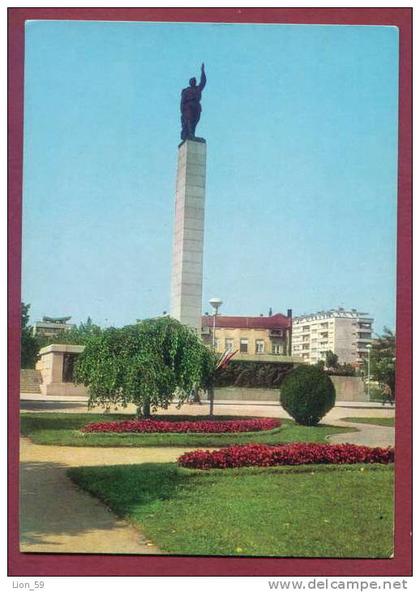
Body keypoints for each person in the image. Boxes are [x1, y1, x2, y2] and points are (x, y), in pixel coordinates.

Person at [180, 63, 206, 141]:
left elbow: (203, 82)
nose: (193, 82)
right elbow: (182, 102)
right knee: (189, 121)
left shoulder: (197, 89)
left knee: (195, 121)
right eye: (192, 81)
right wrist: (182, 111)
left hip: (196, 107)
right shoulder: (186, 91)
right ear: (190, 82)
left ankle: (192, 135)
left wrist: (202, 71)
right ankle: (190, 134)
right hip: (189, 107)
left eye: (194, 81)